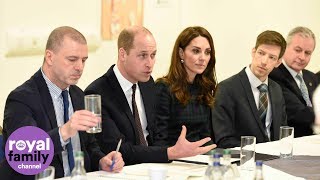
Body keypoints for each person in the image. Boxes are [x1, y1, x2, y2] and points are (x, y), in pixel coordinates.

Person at [1, 26, 124, 179]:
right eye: (72, 59)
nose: (79, 67)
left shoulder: (78, 95)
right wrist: (65, 131)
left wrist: (101, 160)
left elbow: (88, 147)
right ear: (50, 57)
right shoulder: (21, 99)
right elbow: (24, 156)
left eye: (83, 60)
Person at [85, 26, 216, 165]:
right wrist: (169, 153)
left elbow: (157, 136)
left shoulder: (147, 84)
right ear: (123, 54)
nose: (150, 64)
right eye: (143, 55)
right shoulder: (97, 93)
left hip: (155, 167)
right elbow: (117, 148)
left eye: (153, 55)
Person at [212, 30, 287, 148]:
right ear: (253, 52)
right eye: (261, 53)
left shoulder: (277, 89)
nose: (264, 61)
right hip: (242, 161)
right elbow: (223, 139)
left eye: (272, 57)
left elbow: (282, 133)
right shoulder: (226, 89)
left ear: (278, 62)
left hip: (275, 159)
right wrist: (259, 151)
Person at [153, 26, 217, 146]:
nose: (203, 58)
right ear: (181, 53)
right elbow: (160, 140)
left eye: (207, 52)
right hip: (174, 160)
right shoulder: (163, 88)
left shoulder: (204, 88)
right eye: (196, 51)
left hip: (201, 158)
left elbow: (207, 137)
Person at [269, 26, 319, 137]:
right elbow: (297, 113)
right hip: (292, 142)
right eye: (298, 50)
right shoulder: (274, 75)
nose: (302, 57)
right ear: (285, 48)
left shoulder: (312, 77)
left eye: (307, 53)